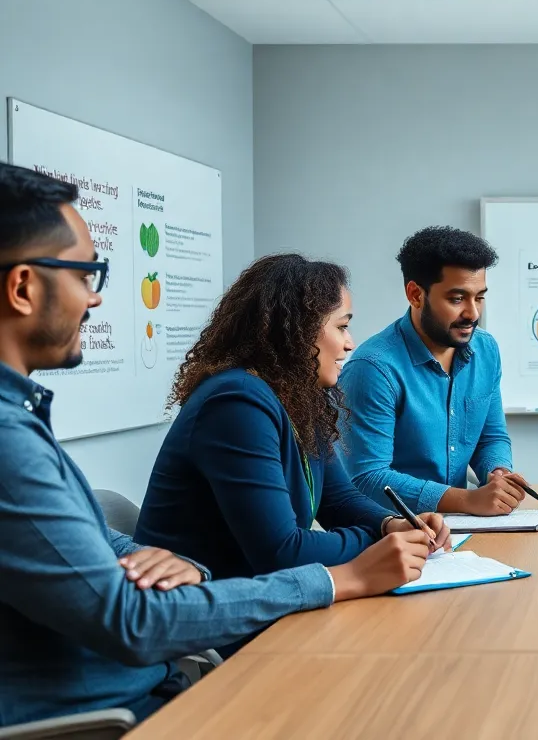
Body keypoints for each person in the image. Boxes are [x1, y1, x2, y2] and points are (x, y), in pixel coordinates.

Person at [0, 164, 428, 727]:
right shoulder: (236, 401)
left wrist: (180, 563)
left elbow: (93, 540)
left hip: (164, 674)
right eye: (86, 274)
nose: (94, 299)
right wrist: (343, 575)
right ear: (24, 287)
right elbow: (135, 619)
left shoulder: (20, 419)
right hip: (130, 709)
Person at [135, 254, 450, 656]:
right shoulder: (236, 403)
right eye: (342, 326)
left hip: (268, 611)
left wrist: (392, 523)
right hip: (214, 627)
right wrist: (377, 543)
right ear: (299, 332)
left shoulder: (295, 397)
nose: (350, 342)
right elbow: (281, 553)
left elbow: (338, 499)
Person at [339, 227, 533, 515]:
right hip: (389, 534)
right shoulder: (372, 369)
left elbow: (490, 437)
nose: (473, 313)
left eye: (479, 297)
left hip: (459, 530)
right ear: (416, 294)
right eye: (457, 299)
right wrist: (468, 500)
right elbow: (368, 479)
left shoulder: (486, 350)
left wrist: (498, 474)